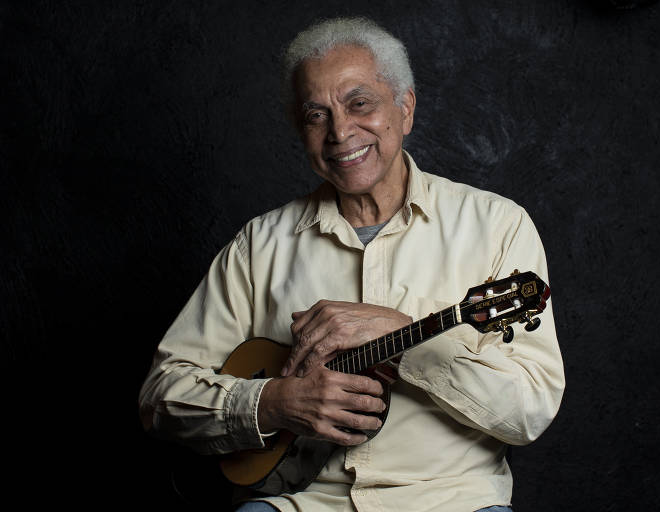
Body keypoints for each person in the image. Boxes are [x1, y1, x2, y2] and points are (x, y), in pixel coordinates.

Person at [139, 16, 565, 512]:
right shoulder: (259, 244)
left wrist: (406, 338)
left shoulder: (498, 225)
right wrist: (276, 402)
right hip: (295, 501)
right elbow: (160, 396)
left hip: (452, 500)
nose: (340, 131)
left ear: (405, 108)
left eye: (359, 103)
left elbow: (529, 413)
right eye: (316, 115)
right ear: (301, 130)